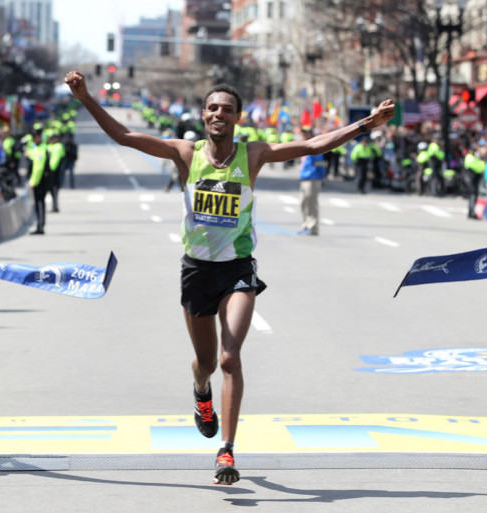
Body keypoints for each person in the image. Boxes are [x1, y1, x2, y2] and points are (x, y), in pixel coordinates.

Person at [65, 70, 395, 484]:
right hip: (196, 270)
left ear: (238, 118)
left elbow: (313, 144)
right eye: (213, 108)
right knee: (205, 363)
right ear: (204, 115)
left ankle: (226, 450)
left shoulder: (253, 155)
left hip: (237, 268)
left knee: (229, 358)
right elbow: (126, 136)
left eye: (227, 109)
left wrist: (366, 124)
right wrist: (85, 98)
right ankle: (201, 392)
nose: (219, 114)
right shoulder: (185, 153)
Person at [298, 127, 327, 235]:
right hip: (304, 178)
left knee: (311, 203)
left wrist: (322, 176)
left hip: (313, 178)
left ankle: (313, 227)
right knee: (303, 203)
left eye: (306, 133)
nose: (304, 135)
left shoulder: (314, 146)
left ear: (310, 134)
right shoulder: (304, 146)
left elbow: (320, 163)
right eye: (303, 133)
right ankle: (306, 225)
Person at [27, 130, 48, 235]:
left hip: (40, 181)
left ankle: (40, 226)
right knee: (40, 203)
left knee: (39, 203)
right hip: (40, 180)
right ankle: (40, 225)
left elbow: (38, 168)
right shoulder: (37, 148)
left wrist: (33, 182)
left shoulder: (40, 149)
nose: (34, 140)